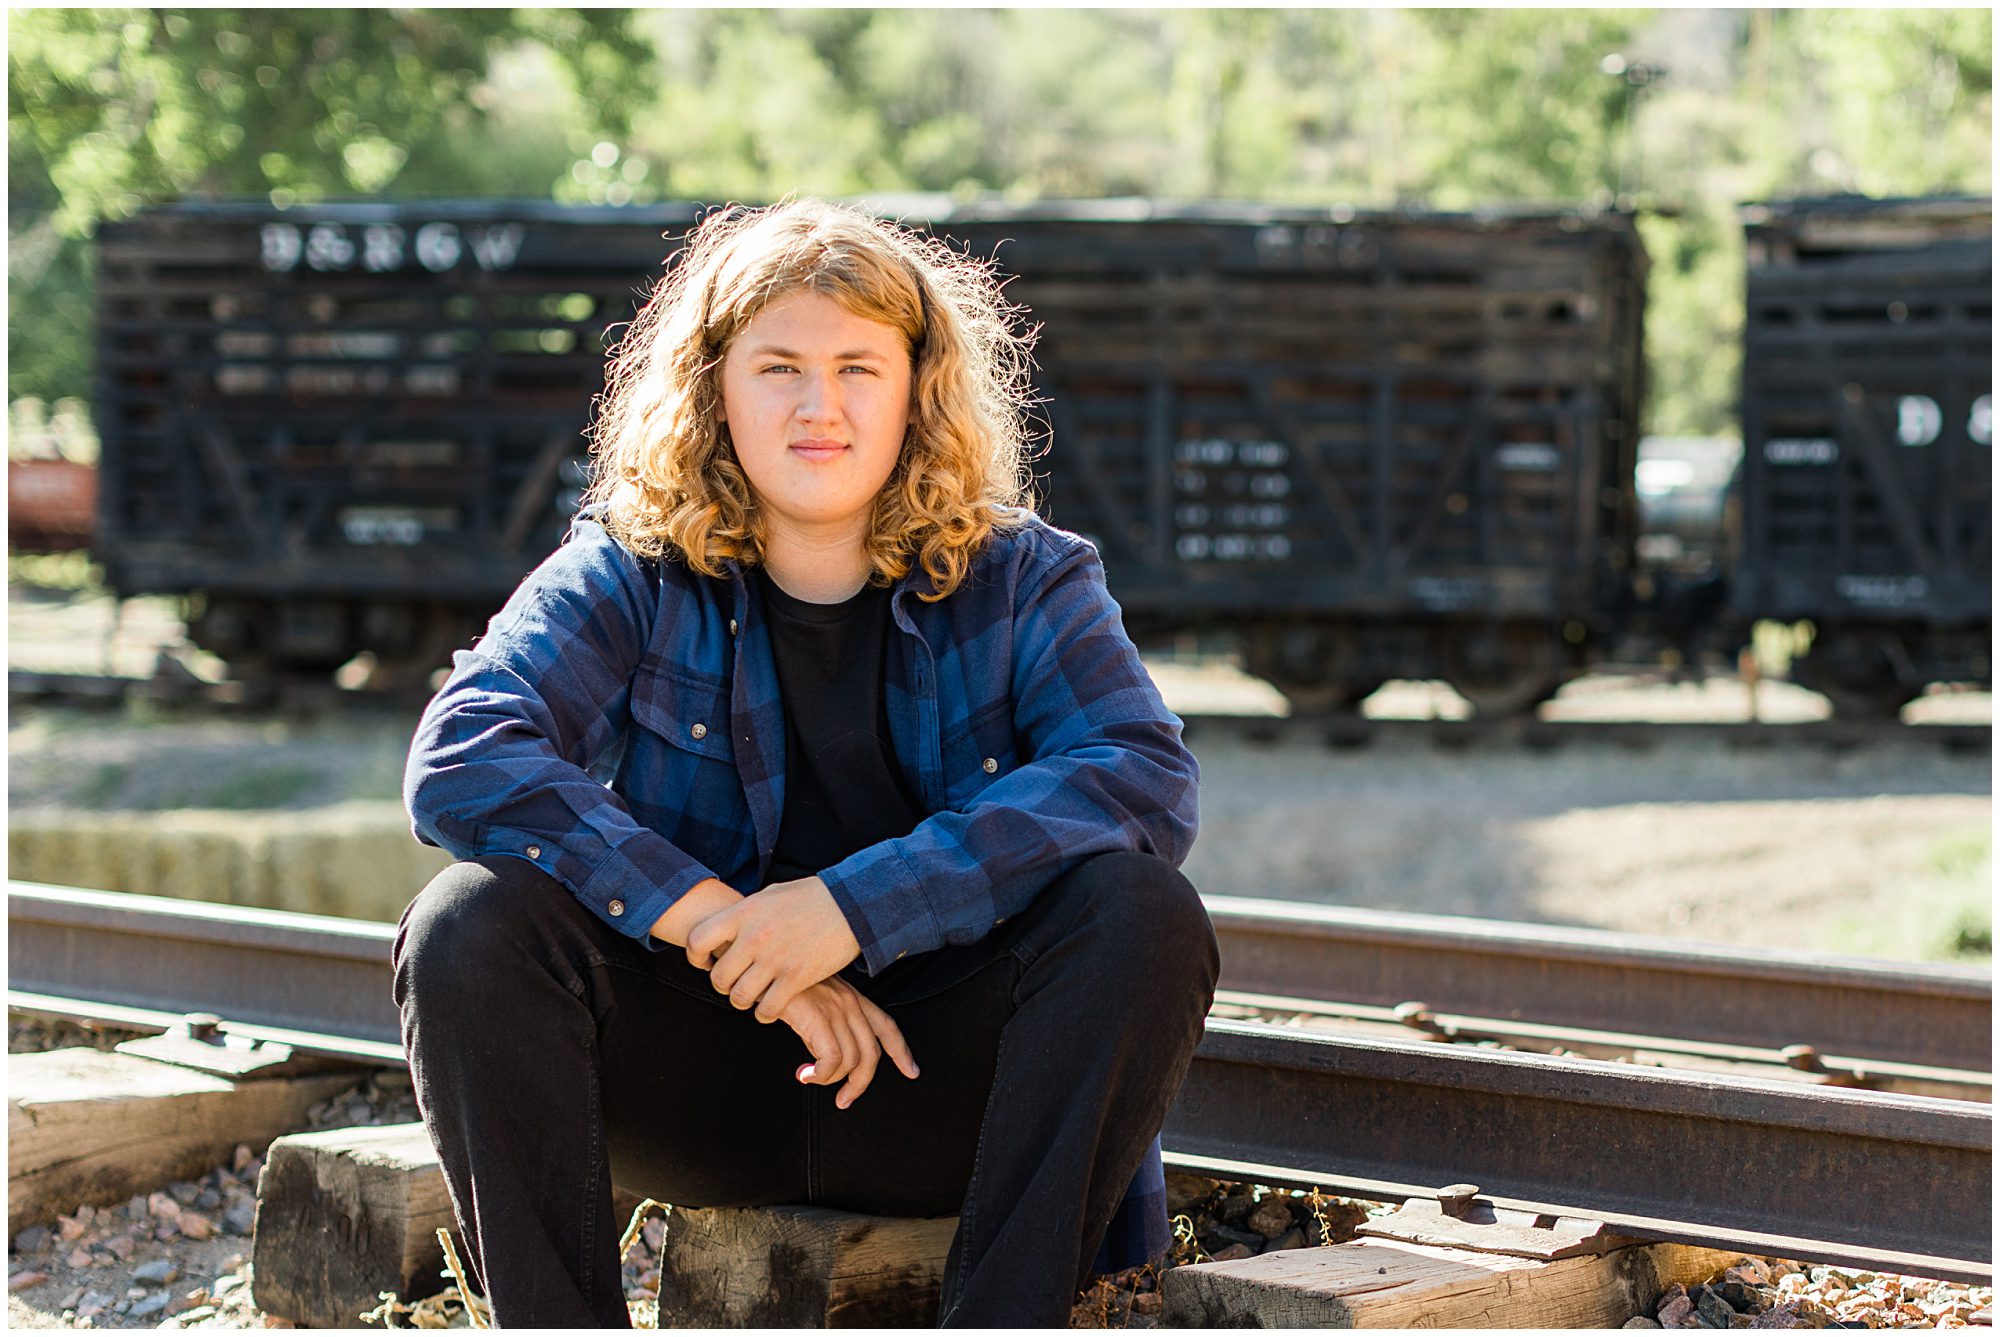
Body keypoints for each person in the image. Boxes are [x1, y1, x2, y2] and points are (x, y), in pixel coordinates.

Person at [393, 197, 1218, 1328]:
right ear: (713, 385)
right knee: (468, 921)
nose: (817, 405)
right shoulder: (632, 568)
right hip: (704, 1086)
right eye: (777, 365)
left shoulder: (1023, 576)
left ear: (915, 389)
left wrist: (848, 909)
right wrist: (722, 923)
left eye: (857, 368)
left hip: (943, 1090)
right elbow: (463, 750)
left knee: (1141, 908)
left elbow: (1139, 775)